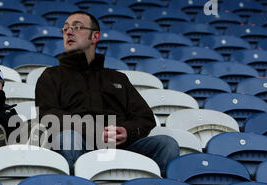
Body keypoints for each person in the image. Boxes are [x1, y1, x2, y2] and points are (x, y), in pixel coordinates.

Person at [35, 11, 179, 175]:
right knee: (68, 137)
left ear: (95, 36)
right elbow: (47, 115)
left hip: (120, 147)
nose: (68, 32)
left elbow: (145, 118)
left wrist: (126, 131)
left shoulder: (118, 78)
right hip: (79, 143)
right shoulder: (51, 75)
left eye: (77, 27)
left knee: (167, 144)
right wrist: (92, 130)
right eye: (65, 29)